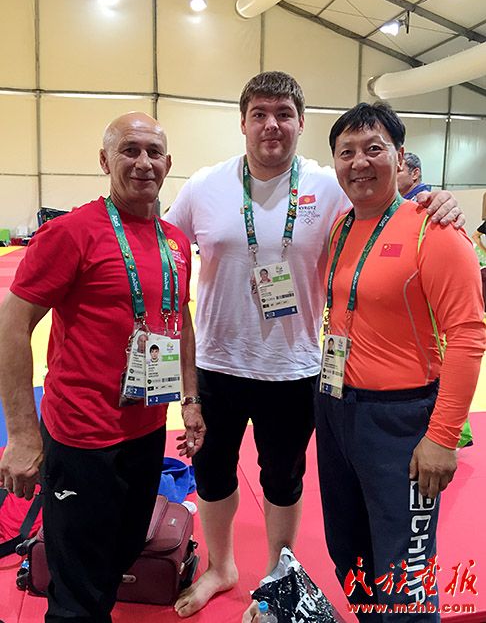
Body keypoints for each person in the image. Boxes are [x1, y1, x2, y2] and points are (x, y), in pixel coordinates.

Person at [164, 71, 464, 620]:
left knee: (284, 479)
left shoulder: (329, 185)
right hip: (217, 362)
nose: (271, 124)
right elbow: (164, 248)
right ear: (242, 122)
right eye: (259, 114)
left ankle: (277, 579)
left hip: (298, 368)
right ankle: (220, 566)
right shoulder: (204, 185)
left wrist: (438, 199)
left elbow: (385, 205)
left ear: (301, 122)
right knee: (212, 474)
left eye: (284, 113)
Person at [0, 112, 206, 623]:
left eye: (153, 152)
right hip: (82, 440)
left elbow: (179, 323)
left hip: (146, 432)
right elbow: (12, 325)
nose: (143, 163)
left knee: (119, 556)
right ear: (104, 160)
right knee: (76, 590)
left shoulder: (175, 241)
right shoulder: (71, 232)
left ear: (169, 163)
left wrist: (191, 400)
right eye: (129, 150)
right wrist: (22, 435)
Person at [314, 102, 485, 622]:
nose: (359, 162)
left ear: (400, 155)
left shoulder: (435, 230)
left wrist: (442, 436)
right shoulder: (342, 226)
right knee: (349, 551)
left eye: (374, 149)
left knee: (404, 570)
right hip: (337, 408)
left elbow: (468, 335)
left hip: (400, 421)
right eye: (347, 152)